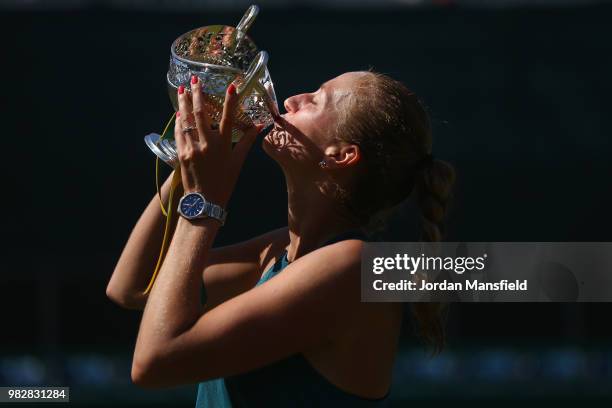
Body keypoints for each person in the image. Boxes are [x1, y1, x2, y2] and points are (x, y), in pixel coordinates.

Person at [107, 70, 455, 407]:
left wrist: (204, 202)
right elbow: (134, 287)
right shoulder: (277, 252)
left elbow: (155, 362)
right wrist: (189, 169)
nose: (291, 100)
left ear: (341, 155)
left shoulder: (353, 266)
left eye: (316, 101)